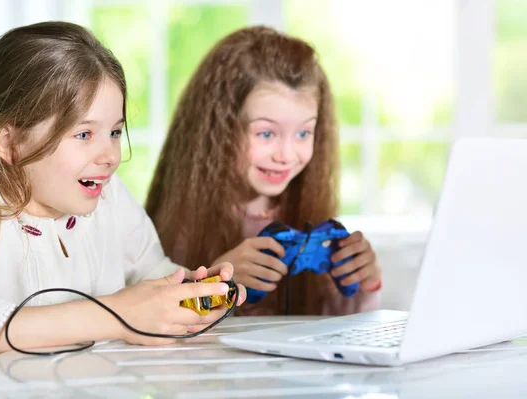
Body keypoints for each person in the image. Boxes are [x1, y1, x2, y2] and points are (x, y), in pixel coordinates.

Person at [0, 21, 245, 399]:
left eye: (114, 132)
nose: (110, 155)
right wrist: (115, 315)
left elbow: (152, 275)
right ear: (10, 142)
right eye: (83, 134)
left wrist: (186, 294)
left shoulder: (111, 200)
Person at [145, 26, 382, 317]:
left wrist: (362, 281)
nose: (286, 155)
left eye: (304, 133)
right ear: (218, 130)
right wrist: (217, 287)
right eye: (266, 134)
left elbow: (335, 326)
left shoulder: (309, 213)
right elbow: (156, 325)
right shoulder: (175, 227)